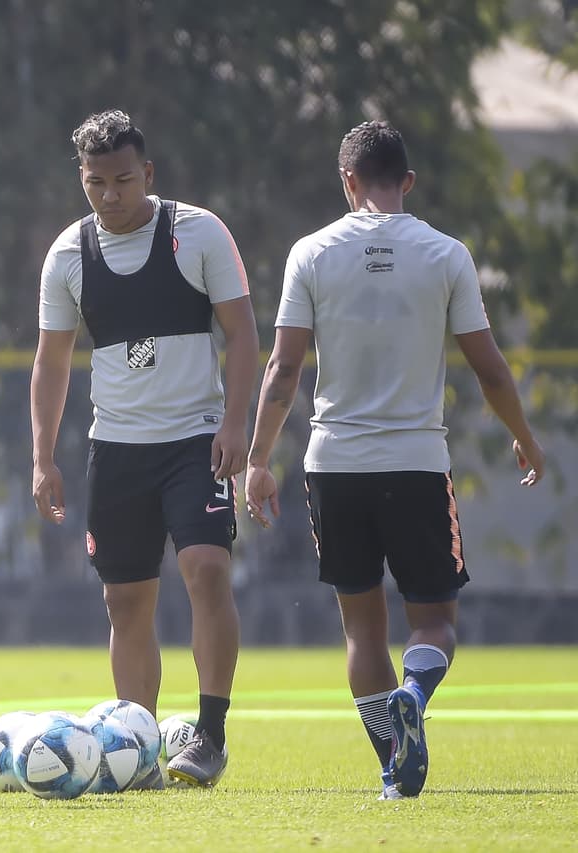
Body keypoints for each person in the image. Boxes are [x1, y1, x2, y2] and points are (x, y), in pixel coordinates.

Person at [244, 121, 546, 800]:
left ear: (347, 180)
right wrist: (523, 434)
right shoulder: (446, 254)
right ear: (407, 181)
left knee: (362, 630)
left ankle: (393, 767)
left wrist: (257, 459)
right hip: (416, 463)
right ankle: (415, 692)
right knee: (433, 623)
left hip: (333, 466)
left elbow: (284, 368)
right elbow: (490, 368)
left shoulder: (310, 253)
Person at [31, 109, 259, 788]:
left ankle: (210, 735)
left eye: (123, 180)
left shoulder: (199, 232)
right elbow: (52, 362)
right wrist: (42, 457)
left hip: (196, 440)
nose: (110, 195)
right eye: (95, 182)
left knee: (206, 570)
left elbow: (243, 335)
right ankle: (138, 752)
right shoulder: (68, 254)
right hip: (117, 450)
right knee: (125, 602)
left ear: (148, 173)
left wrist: (236, 424)